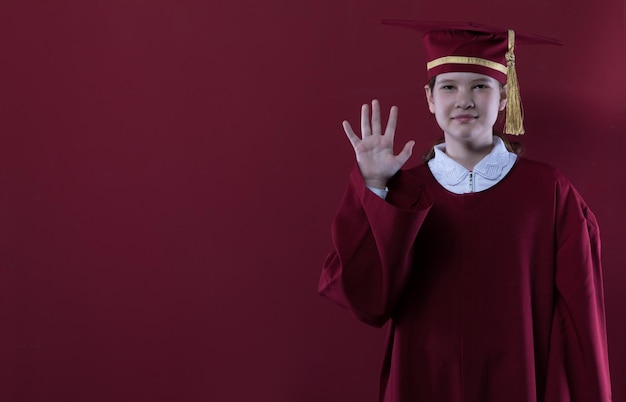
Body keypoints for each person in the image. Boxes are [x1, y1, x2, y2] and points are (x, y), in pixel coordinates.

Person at [318, 20, 612, 402]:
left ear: (505, 97)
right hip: (422, 381)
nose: (464, 100)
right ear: (429, 98)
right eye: (449, 87)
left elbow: (580, 323)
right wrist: (374, 187)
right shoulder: (405, 191)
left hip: (519, 381)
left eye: (480, 86)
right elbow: (367, 301)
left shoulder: (548, 193)